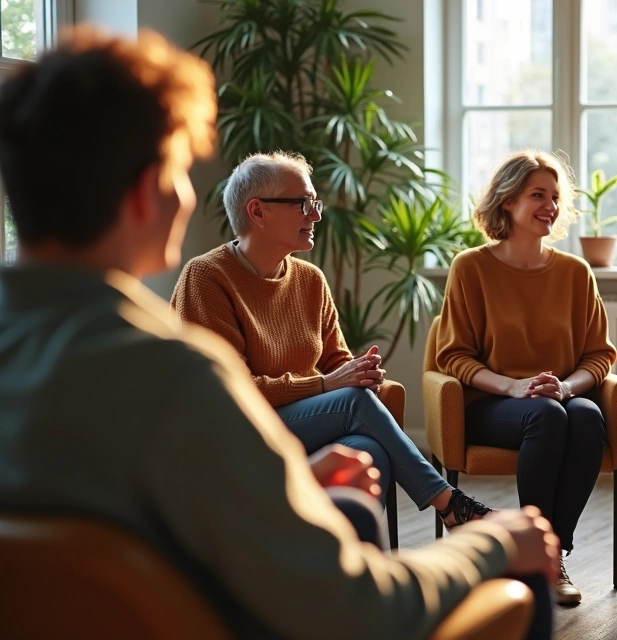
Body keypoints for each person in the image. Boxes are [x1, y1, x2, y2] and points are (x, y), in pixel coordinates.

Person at [0, 26, 558, 640]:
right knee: (521, 560)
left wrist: (274, 484)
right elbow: (364, 609)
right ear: (143, 192)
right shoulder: (173, 373)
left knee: (345, 505)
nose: (189, 197)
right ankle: (464, 516)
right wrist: (493, 543)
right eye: (181, 170)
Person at [171, 151, 493, 530]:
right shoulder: (206, 278)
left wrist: (360, 372)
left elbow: (334, 362)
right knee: (355, 402)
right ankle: (451, 505)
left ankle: (351, 571)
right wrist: (328, 385)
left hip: (302, 424)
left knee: (369, 453)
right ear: (257, 212)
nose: (316, 215)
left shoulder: (309, 280)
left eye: (315, 203)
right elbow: (228, 391)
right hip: (239, 431)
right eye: (303, 204)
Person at [434, 149, 617, 605]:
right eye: (538, 194)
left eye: (555, 197)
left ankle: (551, 553)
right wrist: (513, 386)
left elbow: (599, 355)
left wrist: (566, 386)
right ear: (506, 201)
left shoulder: (576, 273)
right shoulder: (471, 267)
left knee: (587, 415)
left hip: (555, 396)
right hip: (491, 403)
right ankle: (540, 556)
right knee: (548, 417)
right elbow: (453, 356)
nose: (550, 206)